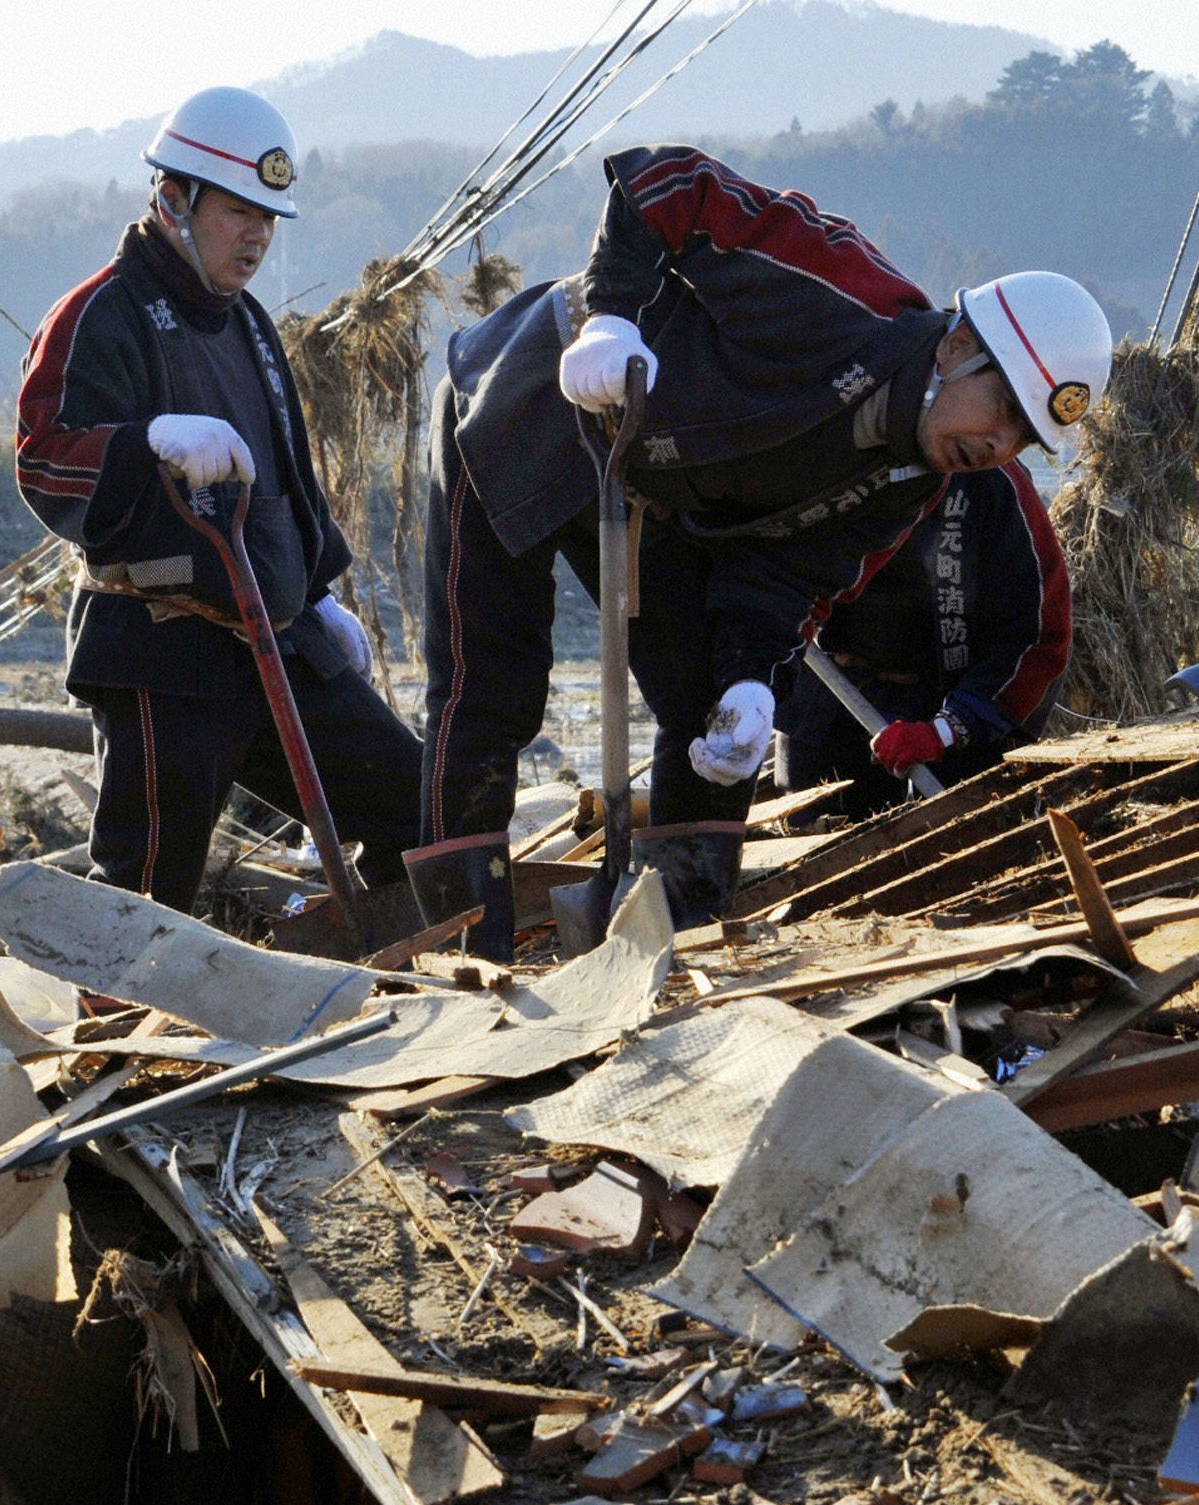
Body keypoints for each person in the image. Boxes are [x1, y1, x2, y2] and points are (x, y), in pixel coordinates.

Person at [410, 144, 1112, 949]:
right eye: (1003, 408)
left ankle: (681, 940)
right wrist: (612, 314)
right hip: (536, 393)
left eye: (1025, 436)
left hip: (654, 486)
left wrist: (751, 680)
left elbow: (790, 578)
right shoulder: (845, 293)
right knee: (488, 690)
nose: (1000, 443)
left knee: (709, 702)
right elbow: (665, 183)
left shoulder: (915, 482)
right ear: (957, 349)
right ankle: (468, 954)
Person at [14, 86, 421, 917]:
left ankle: (385, 984)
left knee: (417, 804)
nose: (259, 236)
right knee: (148, 889)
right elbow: (45, 462)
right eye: (240, 213)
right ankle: (111, 1042)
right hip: (162, 651)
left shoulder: (252, 327)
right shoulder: (98, 314)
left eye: (270, 219)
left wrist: (320, 593)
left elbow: (291, 478)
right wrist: (144, 441)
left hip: (276, 639)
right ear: (172, 199)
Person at [778, 461, 1069, 820]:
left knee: (952, 832)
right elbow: (768, 577)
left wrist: (945, 730)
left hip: (947, 704)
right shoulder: (828, 457)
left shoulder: (990, 480)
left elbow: (1036, 636)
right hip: (831, 692)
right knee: (806, 822)